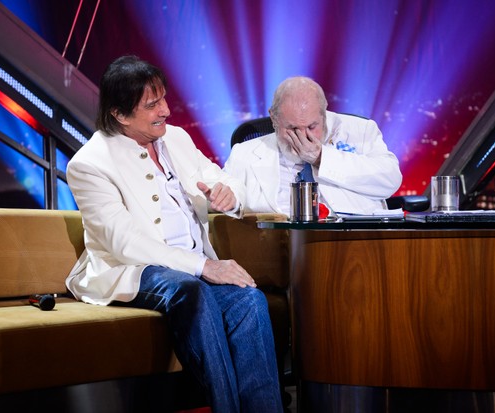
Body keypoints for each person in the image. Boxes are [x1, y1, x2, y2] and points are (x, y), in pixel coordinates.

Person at [65, 55, 283, 413]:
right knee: (191, 291)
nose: (166, 110)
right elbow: (125, 243)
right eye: (152, 105)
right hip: (134, 270)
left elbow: (221, 177)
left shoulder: (176, 138)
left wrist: (228, 194)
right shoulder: (90, 163)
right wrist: (203, 267)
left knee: (249, 298)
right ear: (120, 114)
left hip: (194, 269)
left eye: (164, 98)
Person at [224, 76, 402, 215]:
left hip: (353, 245)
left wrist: (322, 158)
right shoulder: (244, 153)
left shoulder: (360, 131)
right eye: (292, 128)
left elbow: (390, 180)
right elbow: (220, 198)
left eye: (311, 127)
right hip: (276, 247)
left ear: (324, 114)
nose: (302, 137)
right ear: (273, 118)